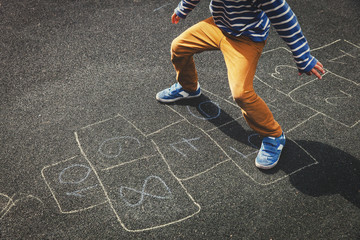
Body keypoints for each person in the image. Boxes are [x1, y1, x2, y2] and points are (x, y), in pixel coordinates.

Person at [156, 0, 325, 169]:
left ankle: (273, 135)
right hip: (218, 26)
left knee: (241, 93)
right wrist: (183, 8)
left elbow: (285, 19)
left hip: (247, 38)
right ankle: (188, 87)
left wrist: (303, 56)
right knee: (178, 47)